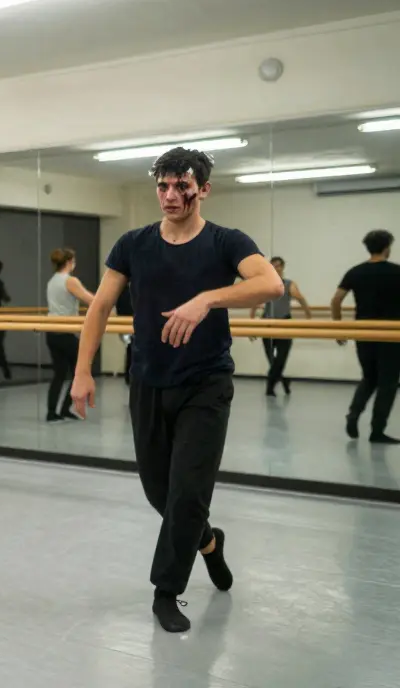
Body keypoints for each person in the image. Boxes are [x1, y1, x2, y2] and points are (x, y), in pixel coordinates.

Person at [69, 147, 283, 634]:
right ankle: (208, 543)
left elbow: (270, 285)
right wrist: (83, 371)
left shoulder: (227, 242)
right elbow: (101, 305)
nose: (170, 195)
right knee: (159, 492)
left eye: (181, 186)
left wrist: (208, 299)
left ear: (203, 189)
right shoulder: (133, 243)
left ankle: (167, 590)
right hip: (147, 379)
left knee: (187, 491)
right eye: (163, 185)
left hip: (206, 383)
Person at [331, 230, 400, 444]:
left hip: (363, 333)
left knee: (369, 377)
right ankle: (377, 431)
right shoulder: (397, 272)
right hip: (391, 335)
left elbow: (336, 300)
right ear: (387, 247)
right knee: (388, 383)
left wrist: (339, 328)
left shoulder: (355, 272)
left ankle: (353, 414)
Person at [248, 256, 312, 396]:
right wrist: (251, 325)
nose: (276, 268)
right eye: (273, 266)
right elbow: (254, 303)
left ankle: (269, 388)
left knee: (281, 358)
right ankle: (283, 381)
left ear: (283, 267)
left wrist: (309, 317)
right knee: (272, 359)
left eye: (278, 266)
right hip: (267, 324)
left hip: (284, 324)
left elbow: (300, 298)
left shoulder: (289, 284)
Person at [44, 248, 93, 422]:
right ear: (69, 262)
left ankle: (53, 411)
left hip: (52, 332)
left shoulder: (52, 281)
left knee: (60, 373)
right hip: (64, 333)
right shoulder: (70, 280)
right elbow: (90, 300)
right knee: (79, 371)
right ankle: (64, 408)